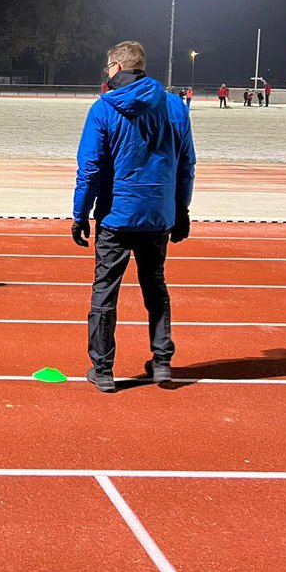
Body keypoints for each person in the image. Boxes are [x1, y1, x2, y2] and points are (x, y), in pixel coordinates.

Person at [72, 41, 196, 393]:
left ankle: (103, 368)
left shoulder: (104, 108)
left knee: (105, 293)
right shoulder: (174, 105)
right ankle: (161, 362)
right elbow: (186, 164)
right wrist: (181, 209)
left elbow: (91, 168)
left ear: (115, 66)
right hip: (158, 215)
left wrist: (80, 214)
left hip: (116, 216)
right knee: (155, 288)